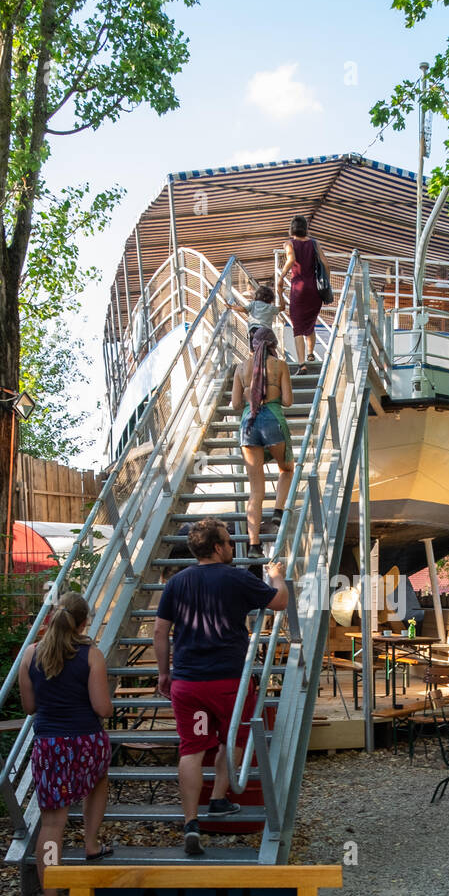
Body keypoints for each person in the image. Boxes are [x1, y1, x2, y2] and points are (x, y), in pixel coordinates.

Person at [153, 517, 289, 856]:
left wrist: (163, 673)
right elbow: (280, 602)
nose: (232, 546)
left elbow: (159, 632)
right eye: (228, 542)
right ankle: (218, 799)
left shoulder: (176, 583)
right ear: (217, 547)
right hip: (228, 685)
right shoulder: (237, 579)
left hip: (188, 685)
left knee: (192, 748)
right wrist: (277, 577)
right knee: (234, 738)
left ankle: (190, 822)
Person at [18, 591, 113, 896]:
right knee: (98, 777)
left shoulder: (30, 656)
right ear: (83, 622)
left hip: (49, 746)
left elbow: (29, 708)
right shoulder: (91, 656)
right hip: (85, 742)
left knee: (51, 823)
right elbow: (103, 708)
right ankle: (90, 843)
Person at [232, 326, 294, 559]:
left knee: (255, 490)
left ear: (253, 345)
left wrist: (250, 396)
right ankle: (278, 511)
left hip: (248, 424)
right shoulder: (280, 366)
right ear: (273, 345)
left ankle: (254, 546)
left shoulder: (240, 368)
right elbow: (287, 401)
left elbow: (235, 405)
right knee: (286, 469)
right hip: (272, 420)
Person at [279, 215, 328, 371]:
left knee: (298, 327)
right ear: (305, 228)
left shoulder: (289, 243)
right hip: (314, 290)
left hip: (298, 288)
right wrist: (326, 283)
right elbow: (325, 264)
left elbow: (291, 259)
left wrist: (281, 276)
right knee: (310, 323)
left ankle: (302, 364)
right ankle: (311, 353)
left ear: (292, 228)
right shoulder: (315, 243)